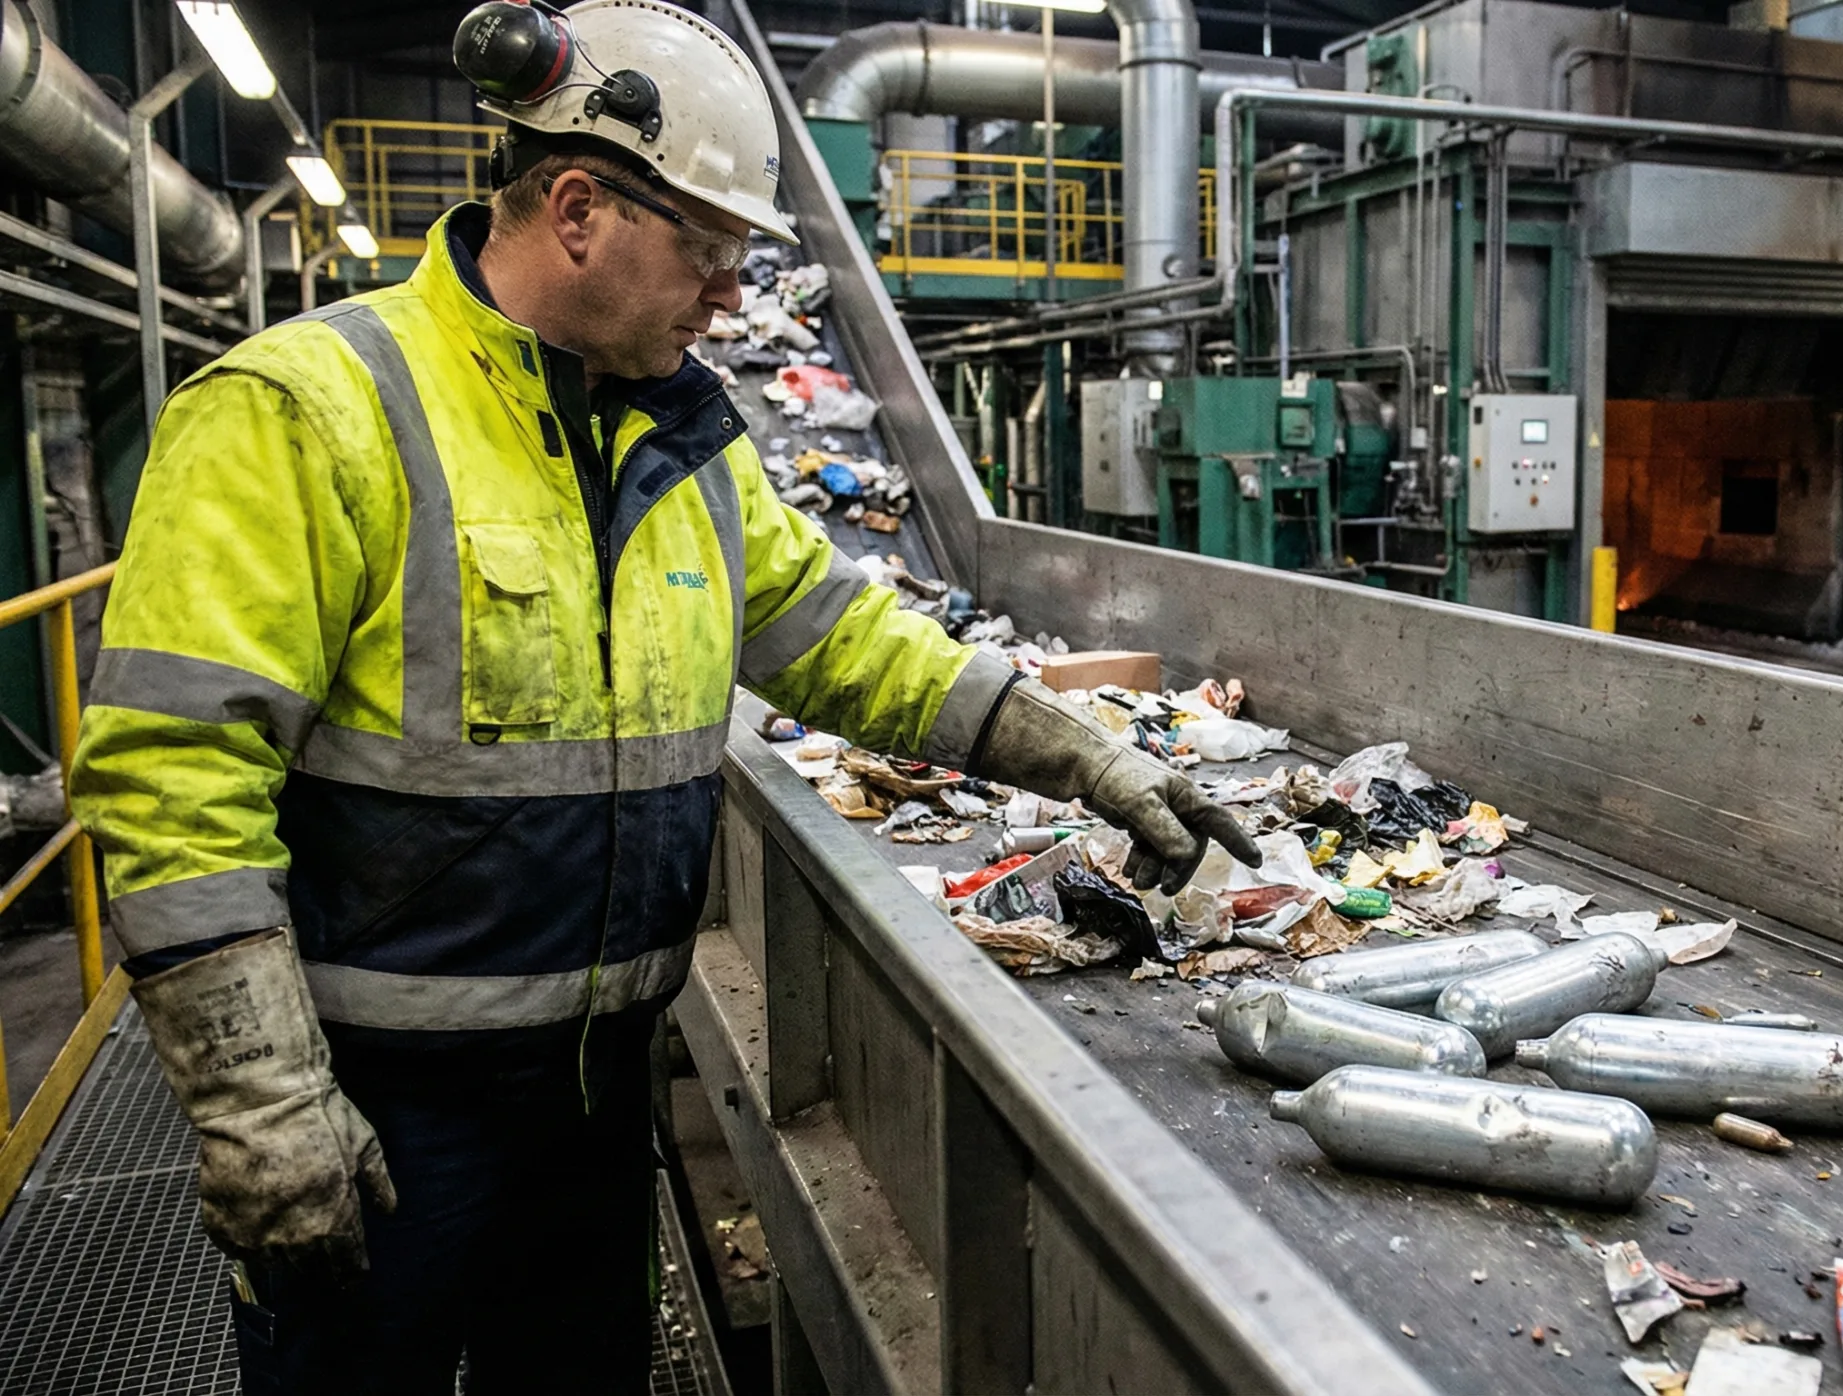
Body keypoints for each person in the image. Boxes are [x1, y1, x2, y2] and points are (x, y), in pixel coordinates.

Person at [65, 3, 1254, 1390]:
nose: (732, 297)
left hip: (595, 1095)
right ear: (579, 209)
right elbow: (173, 772)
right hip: (376, 1111)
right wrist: (261, 1100)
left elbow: (847, 641)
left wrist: (1085, 755)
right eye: (710, 250)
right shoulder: (306, 409)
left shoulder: (683, 440)